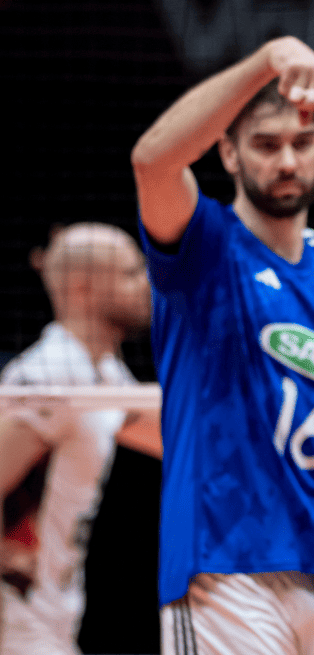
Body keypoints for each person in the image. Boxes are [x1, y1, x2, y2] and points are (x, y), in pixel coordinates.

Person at [129, 36, 314, 655]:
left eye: (301, 143)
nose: (286, 161)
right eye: (266, 145)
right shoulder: (205, 246)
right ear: (230, 153)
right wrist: (267, 59)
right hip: (222, 570)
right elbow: (152, 161)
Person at [0, 223, 159, 655]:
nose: (147, 282)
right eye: (130, 273)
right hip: (16, 621)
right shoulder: (52, 375)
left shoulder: (101, 374)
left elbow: (178, 441)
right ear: (83, 287)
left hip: (55, 615)